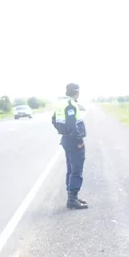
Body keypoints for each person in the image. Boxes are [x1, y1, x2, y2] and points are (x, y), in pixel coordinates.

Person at [51, 82, 88, 210]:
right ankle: (72, 199)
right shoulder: (71, 105)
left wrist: (62, 131)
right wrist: (79, 139)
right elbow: (72, 125)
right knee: (76, 169)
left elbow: (53, 120)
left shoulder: (60, 104)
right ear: (77, 92)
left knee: (71, 169)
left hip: (66, 139)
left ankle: (72, 197)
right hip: (73, 140)